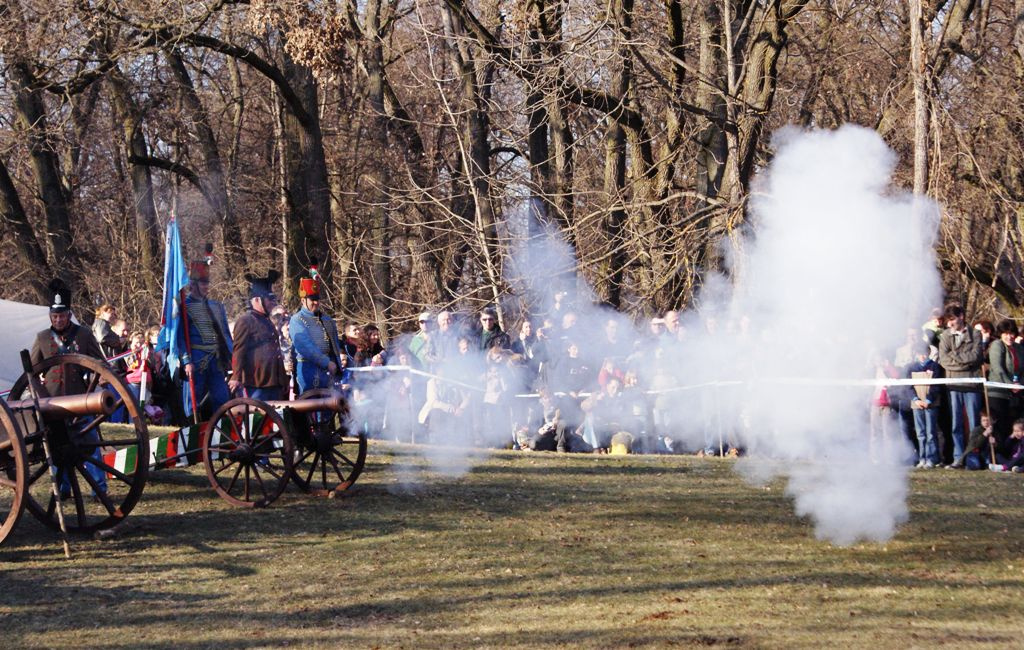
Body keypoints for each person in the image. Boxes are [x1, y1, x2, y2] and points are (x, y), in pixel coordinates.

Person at [30, 279, 107, 496]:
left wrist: (102, 378)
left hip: (80, 398)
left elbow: (100, 363)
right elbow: (31, 373)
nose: (59, 320)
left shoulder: (83, 334)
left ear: (69, 314)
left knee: (91, 445)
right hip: (53, 401)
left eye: (62, 316)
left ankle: (99, 488)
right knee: (57, 447)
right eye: (55, 316)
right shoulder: (42, 338)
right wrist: (41, 395)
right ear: (50, 317)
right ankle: (63, 489)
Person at [177, 259, 233, 420]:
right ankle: (192, 433)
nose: (206, 286)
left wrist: (231, 357)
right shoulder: (184, 306)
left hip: (216, 360)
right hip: (196, 359)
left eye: (207, 283)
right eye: (203, 283)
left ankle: (222, 435)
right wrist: (186, 360)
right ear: (192, 285)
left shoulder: (217, 306)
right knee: (192, 404)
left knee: (222, 399)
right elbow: (180, 337)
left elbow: (225, 334)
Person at [230, 270, 288, 401]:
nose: (273, 302)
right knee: (257, 420)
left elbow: (277, 353)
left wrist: (283, 379)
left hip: (274, 383)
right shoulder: (245, 321)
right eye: (269, 299)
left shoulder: (268, 321)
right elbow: (239, 351)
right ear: (256, 299)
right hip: (256, 385)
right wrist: (236, 377)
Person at [937, 304, 985, 463]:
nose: (950, 323)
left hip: (972, 385)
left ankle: (973, 458)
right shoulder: (944, 336)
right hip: (953, 385)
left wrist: (955, 356)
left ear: (961, 317)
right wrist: (964, 362)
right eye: (948, 320)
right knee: (955, 425)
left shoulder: (976, 334)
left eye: (952, 319)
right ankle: (958, 457)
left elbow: (976, 357)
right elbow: (943, 360)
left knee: (974, 425)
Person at [289, 275, 344, 393]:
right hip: (309, 369)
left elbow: (334, 346)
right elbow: (305, 346)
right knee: (312, 406)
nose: (316, 302)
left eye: (317, 299)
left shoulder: (327, 319)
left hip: (329, 369)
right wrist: (326, 362)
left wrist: (337, 366)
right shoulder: (297, 320)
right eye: (312, 299)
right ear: (303, 300)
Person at [986, 319, 1022, 441]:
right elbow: (997, 368)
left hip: (1016, 392)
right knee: (1000, 426)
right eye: (1006, 333)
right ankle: (999, 455)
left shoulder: (1019, 348)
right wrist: (1010, 384)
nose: (1009, 336)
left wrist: (1020, 383)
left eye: (1011, 333)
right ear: (1000, 334)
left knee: (1014, 425)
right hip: (998, 391)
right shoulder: (997, 345)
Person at [907, 341, 942, 468]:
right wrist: (916, 399)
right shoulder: (911, 368)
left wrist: (928, 400)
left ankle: (932, 458)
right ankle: (922, 458)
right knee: (920, 433)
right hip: (916, 404)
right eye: (919, 353)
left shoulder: (935, 367)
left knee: (931, 432)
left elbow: (936, 386)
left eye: (924, 353)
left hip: (930, 404)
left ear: (928, 353)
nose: (922, 356)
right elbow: (908, 386)